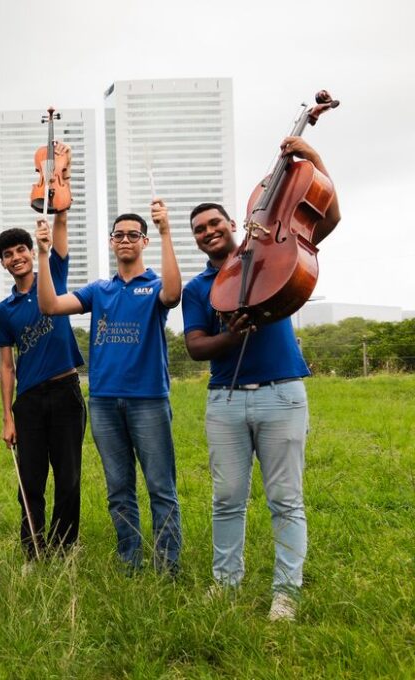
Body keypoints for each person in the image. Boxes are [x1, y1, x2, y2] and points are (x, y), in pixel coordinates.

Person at [182, 137, 341, 622]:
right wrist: (229, 337)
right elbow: (195, 347)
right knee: (227, 498)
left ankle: (285, 594)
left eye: (215, 223)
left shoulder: (277, 256)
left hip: (282, 395)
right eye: (200, 230)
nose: (209, 232)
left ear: (233, 224)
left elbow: (326, 216)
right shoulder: (198, 288)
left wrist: (313, 157)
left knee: (285, 499)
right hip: (225, 401)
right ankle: (225, 584)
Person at [36, 200, 183, 574]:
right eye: (119, 235)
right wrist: (42, 254)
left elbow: (174, 295)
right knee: (119, 489)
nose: (125, 240)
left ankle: (168, 565)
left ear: (144, 242)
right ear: (111, 243)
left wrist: (166, 232)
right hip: (103, 402)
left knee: (160, 488)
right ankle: (129, 560)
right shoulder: (99, 290)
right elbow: (50, 305)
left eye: (134, 235)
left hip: (148, 401)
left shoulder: (155, 287)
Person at [0, 191, 86, 565]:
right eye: (9, 254)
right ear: (3, 263)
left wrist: (58, 202)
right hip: (28, 401)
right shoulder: (4, 311)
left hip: (65, 392)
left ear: (31, 251)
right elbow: (7, 366)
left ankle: (65, 551)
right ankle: (34, 551)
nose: (16, 257)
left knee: (68, 478)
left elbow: (61, 226)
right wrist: (7, 416)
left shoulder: (53, 274)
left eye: (21, 250)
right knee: (30, 482)